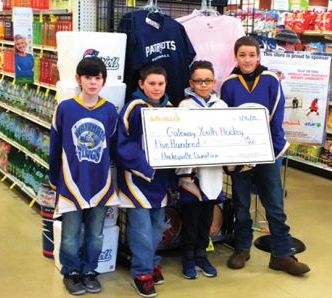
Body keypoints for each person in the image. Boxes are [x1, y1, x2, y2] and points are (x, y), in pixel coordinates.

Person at [220, 36, 310, 276]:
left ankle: (281, 254)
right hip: (240, 155)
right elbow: (226, 120)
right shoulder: (229, 84)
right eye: (242, 55)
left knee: (274, 204)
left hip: (268, 151)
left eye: (251, 55)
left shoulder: (271, 80)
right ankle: (241, 248)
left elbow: (276, 115)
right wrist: (235, 153)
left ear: (258, 56)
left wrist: (264, 147)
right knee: (241, 203)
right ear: (236, 57)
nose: (247, 60)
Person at [49, 57, 119, 295]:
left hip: (99, 182)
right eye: (88, 77)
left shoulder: (109, 110)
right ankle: (71, 272)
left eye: (97, 78)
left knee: (95, 233)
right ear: (78, 79)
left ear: (103, 81)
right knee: (69, 234)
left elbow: (113, 144)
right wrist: (54, 176)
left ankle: (90, 270)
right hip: (71, 181)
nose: (92, 82)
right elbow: (55, 144)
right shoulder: (65, 108)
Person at [117, 63, 171, 298]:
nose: (157, 88)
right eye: (152, 83)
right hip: (136, 180)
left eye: (160, 84)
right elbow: (123, 143)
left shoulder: (171, 108)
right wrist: (144, 167)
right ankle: (142, 273)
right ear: (141, 84)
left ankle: (152, 261)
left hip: (161, 181)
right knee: (141, 229)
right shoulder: (133, 108)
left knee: (157, 226)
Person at [177, 60, 227, 279]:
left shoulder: (222, 106)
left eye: (207, 80)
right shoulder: (184, 106)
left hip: (213, 170)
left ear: (214, 81)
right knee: (190, 216)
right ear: (191, 83)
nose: (203, 85)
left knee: (207, 215)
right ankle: (187, 258)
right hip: (191, 172)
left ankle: (201, 255)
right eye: (199, 81)